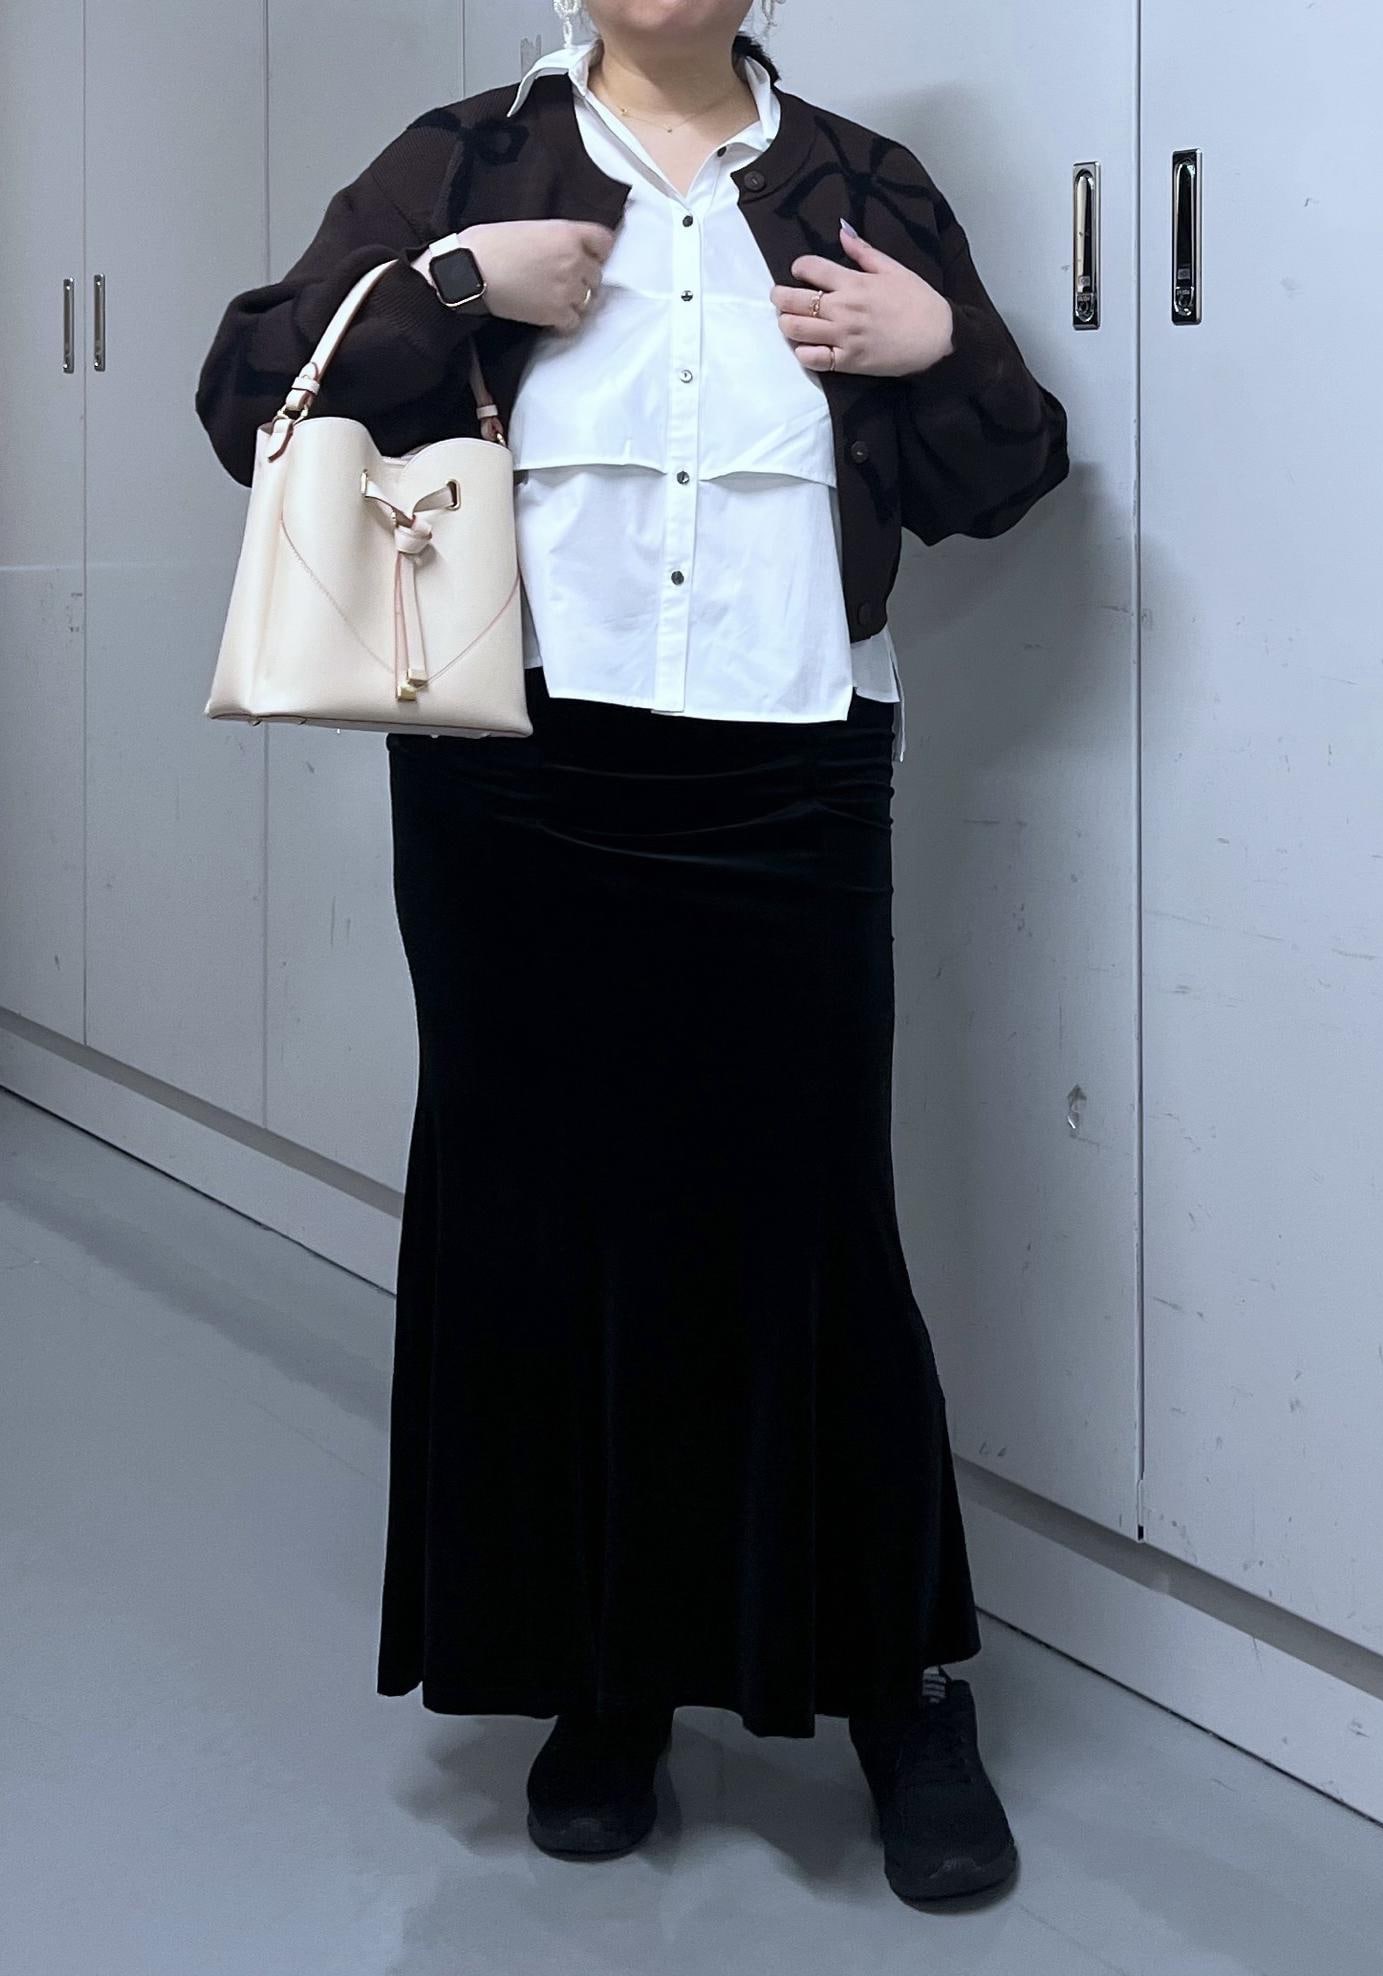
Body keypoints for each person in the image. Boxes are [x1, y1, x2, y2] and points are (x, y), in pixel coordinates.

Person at [195, 0, 1068, 1908]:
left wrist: (938, 349)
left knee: (812, 1225)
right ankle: (605, 1675)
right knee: (540, 1215)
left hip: (792, 772)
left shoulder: (858, 184)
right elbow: (251, 386)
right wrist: (452, 284)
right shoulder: (467, 158)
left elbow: (1000, 476)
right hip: (515, 779)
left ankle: (899, 1683)